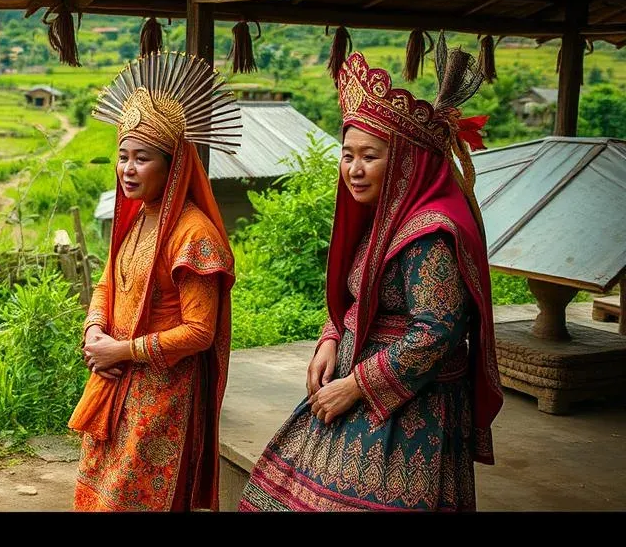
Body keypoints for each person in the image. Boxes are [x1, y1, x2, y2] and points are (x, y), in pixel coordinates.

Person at [239, 45, 502, 512]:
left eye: (369, 156)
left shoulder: (429, 236)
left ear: (405, 161)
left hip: (411, 404)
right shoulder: (383, 220)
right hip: (356, 374)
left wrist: (356, 385)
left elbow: (436, 332)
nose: (353, 170)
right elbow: (358, 298)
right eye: (347, 155)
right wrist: (329, 339)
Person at [70, 51, 240, 511]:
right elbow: (107, 286)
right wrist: (93, 336)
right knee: (98, 496)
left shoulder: (193, 235)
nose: (127, 168)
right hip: (113, 385)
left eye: (142, 158)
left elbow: (200, 333)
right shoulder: (136, 222)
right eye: (123, 156)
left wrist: (120, 350)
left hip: (162, 398)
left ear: (172, 165)